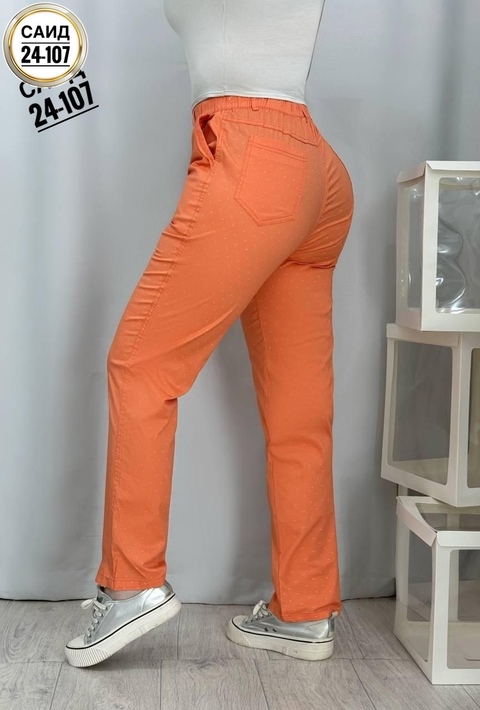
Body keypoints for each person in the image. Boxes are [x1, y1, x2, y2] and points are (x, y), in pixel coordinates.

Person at [65, 0, 354, 667]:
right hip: (316, 169)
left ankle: (131, 584)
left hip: (257, 153)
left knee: (140, 366)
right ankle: (305, 610)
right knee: (299, 417)